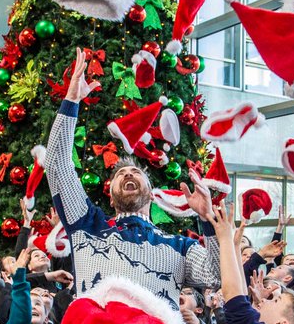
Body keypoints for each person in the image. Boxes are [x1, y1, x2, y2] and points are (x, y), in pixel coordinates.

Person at [45, 49, 219, 308]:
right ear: (112, 196)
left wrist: (207, 221)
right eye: (120, 174)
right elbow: (57, 165)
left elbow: (215, 276)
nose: (127, 173)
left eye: (136, 172)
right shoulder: (86, 224)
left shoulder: (178, 246)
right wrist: (71, 100)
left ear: (151, 193)